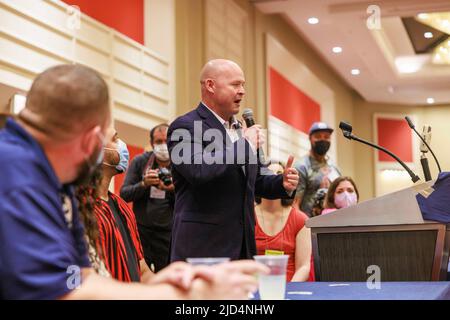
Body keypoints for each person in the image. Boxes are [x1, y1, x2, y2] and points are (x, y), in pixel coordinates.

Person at [0, 64, 268, 299]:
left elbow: (79, 278)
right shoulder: (16, 174)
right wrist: (181, 295)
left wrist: (153, 285)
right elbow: (62, 294)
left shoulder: (54, 179)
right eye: (113, 138)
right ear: (92, 141)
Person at [167, 59, 299, 262]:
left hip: (242, 248)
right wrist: (245, 145)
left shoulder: (239, 129)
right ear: (210, 85)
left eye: (243, 85)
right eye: (235, 84)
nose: (242, 91)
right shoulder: (184, 126)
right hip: (202, 249)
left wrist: (282, 183)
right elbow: (198, 171)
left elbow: (255, 180)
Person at [120, 123, 174, 272]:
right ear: (151, 144)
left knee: (166, 278)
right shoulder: (140, 162)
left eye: (166, 140)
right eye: (158, 142)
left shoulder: (180, 164)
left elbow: (191, 199)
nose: (163, 145)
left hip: (168, 235)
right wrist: (144, 184)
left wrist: (172, 189)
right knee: (139, 275)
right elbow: (124, 193)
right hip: (141, 232)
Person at [254, 161, 313, 282]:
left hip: (290, 289)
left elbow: (303, 267)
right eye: (269, 173)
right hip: (255, 289)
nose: (275, 177)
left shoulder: (300, 220)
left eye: (279, 173)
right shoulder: (247, 216)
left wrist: (288, 291)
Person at [294, 122, 341, 217]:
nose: (323, 140)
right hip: (310, 224)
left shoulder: (334, 167)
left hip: (334, 223)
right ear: (310, 138)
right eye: (318, 136)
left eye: (326, 137)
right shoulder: (302, 167)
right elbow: (295, 205)